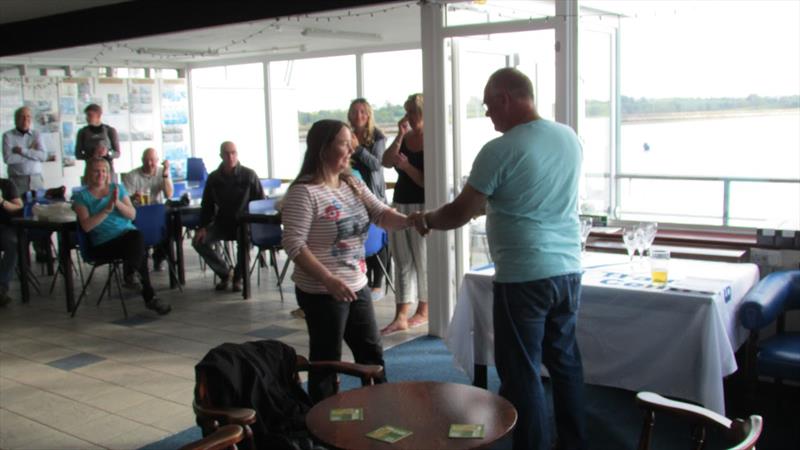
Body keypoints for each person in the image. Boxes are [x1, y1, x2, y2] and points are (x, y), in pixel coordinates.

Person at [408, 68, 587, 450]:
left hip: (524, 275)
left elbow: (461, 211)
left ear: (507, 98)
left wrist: (425, 220)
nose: (488, 115)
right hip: (568, 270)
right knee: (565, 363)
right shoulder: (568, 137)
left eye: (489, 106)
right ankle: (574, 442)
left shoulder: (500, 150)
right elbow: (530, 191)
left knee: (521, 372)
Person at [281, 119, 411, 402]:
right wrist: (328, 279)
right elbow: (293, 244)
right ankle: (322, 426)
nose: (352, 147)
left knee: (372, 353)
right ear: (323, 148)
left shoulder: (352, 181)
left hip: (356, 284)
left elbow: (380, 213)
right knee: (327, 361)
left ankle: (381, 407)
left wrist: (413, 220)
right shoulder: (303, 193)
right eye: (344, 142)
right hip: (321, 293)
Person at [72, 157, 171, 315]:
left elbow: (132, 215)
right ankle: (144, 291)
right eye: (96, 171)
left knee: (136, 240)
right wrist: (106, 209)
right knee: (139, 248)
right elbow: (86, 226)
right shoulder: (81, 197)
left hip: (127, 239)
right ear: (88, 173)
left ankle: (133, 276)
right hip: (103, 244)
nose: (101, 174)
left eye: (104, 171)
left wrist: (116, 203)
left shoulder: (117, 189)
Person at [379, 93, 427, 334]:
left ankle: (424, 310)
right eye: (407, 111)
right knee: (401, 260)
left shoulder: (433, 139)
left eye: (413, 112)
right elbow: (386, 161)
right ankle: (400, 314)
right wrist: (399, 135)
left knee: (422, 259)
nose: (409, 117)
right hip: (400, 202)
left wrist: (407, 166)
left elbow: (426, 182)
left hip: (423, 204)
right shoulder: (406, 137)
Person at [192, 141, 263, 292]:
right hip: (221, 223)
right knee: (198, 241)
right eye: (227, 153)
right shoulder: (214, 178)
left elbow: (260, 202)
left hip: (244, 224)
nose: (230, 156)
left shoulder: (249, 175)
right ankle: (225, 273)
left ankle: (238, 278)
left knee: (244, 240)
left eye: (233, 153)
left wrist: (255, 225)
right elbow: (207, 206)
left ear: (237, 154)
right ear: (221, 156)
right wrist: (203, 227)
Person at [348, 98, 389, 300]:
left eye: (363, 112)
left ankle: (378, 284)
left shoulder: (378, 137)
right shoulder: (346, 134)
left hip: (374, 195)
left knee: (377, 237)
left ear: (369, 114)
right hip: (352, 196)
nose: (358, 116)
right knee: (358, 238)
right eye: (355, 112)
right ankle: (360, 280)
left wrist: (357, 149)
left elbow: (376, 165)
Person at [122, 148, 174, 271]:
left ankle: (159, 258)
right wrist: (133, 197)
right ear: (142, 161)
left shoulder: (162, 173)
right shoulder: (132, 176)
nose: (151, 164)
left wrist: (166, 174)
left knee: (169, 227)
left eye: (153, 160)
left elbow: (169, 194)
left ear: (157, 161)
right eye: (147, 160)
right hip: (138, 213)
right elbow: (124, 199)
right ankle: (138, 263)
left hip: (156, 214)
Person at [2, 106, 47, 194]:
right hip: (17, 180)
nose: (25, 119)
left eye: (28, 116)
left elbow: (43, 157)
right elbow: (8, 159)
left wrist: (23, 151)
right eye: (22, 116)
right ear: (16, 119)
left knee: (38, 207)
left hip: (36, 179)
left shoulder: (36, 135)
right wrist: (32, 154)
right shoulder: (8, 136)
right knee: (18, 207)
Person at [0, 177, 23, 307]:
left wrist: (2, 202)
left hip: (6, 226)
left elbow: (18, 207)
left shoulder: (6, 184)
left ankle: (2, 287)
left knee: (12, 243)